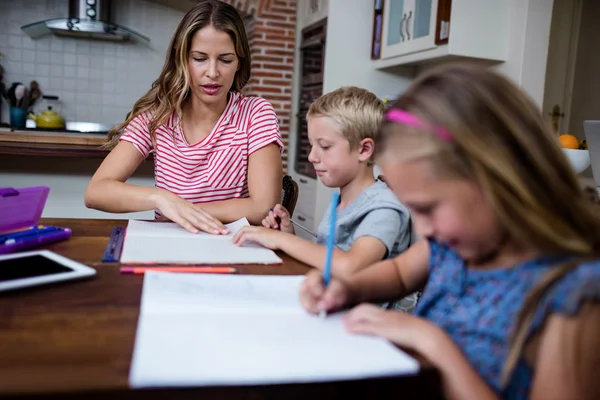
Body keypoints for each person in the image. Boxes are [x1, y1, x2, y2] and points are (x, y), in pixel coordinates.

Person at [299, 64, 600, 399]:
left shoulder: (574, 296)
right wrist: (347, 288)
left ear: (494, 179)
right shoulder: (453, 243)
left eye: (428, 208)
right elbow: (399, 274)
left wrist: (433, 342)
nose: (424, 229)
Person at [84, 0, 283, 235]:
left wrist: (185, 210)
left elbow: (263, 208)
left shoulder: (255, 114)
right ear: (182, 59)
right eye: (199, 58)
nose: (212, 73)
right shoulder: (157, 117)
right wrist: (161, 198)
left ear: (239, 63)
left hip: (230, 245)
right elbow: (96, 192)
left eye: (225, 60)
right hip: (168, 242)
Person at [233, 87, 414, 292]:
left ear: (364, 150)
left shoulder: (384, 208)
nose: (312, 156)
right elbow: (327, 260)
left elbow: (351, 266)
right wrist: (288, 236)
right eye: (312, 145)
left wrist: (280, 240)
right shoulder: (343, 200)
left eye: (325, 146)